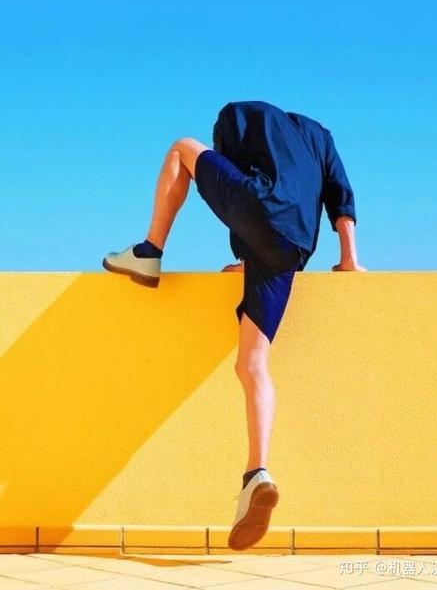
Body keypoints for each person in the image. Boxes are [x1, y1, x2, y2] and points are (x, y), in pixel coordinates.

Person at [102, 99, 366, 550]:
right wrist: (348, 260)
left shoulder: (244, 118)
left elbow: (241, 183)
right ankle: (255, 473)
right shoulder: (319, 136)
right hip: (289, 250)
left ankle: (149, 252)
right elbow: (340, 194)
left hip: (263, 212)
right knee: (251, 365)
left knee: (182, 147)